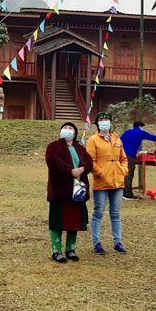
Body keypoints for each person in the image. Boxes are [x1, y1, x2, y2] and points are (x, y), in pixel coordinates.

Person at [45, 122, 94, 263]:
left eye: (70, 128)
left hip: (77, 191)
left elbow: (89, 161)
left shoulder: (80, 148)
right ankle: (56, 251)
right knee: (57, 222)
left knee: (74, 222)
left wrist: (82, 169)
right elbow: (52, 161)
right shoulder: (53, 146)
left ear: (74, 133)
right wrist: (71, 170)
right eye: (64, 128)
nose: (67, 130)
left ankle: (70, 250)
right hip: (60, 190)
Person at [86, 112, 128, 255]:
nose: (105, 122)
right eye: (102, 120)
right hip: (102, 181)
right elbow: (91, 160)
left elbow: (124, 158)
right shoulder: (93, 140)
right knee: (98, 212)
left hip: (117, 181)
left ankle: (118, 242)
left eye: (107, 119)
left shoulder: (117, 139)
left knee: (115, 213)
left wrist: (123, 170)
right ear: (97, 123)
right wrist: (101, 173)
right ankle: (96, 242)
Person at [120, 121, 156, 200]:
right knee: (129, 173)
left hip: (121, 154)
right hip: (130, 154)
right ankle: (127, 194)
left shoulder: (127, 132)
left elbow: (119, 141)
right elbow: (153, 137)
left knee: (123, 172)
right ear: (140, 126)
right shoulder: (140, 132)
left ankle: (122, 191)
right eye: (143, 127)